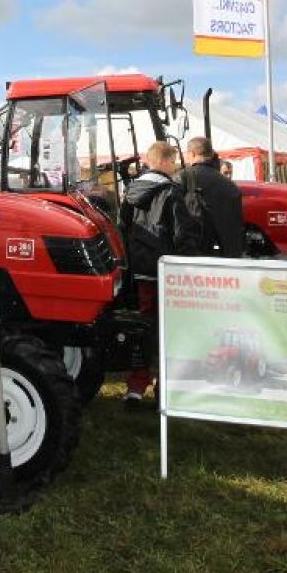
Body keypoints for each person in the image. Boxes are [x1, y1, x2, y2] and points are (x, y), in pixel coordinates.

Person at [120, 140, 202, 401]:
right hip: (167, 270)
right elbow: (182, 233)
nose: (176, 165)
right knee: (170, 328)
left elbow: (124, 227)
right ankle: (164, 386)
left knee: (143, 326)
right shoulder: (171, 192)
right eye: (174, 160)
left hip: (141, 268)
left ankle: (135, 385)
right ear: (165, 162)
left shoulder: (132, 191)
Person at [177, 136, 245, 258]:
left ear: (192, 154)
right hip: (226, 255)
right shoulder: (230, 185)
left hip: (192, 252)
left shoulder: (183, 177)